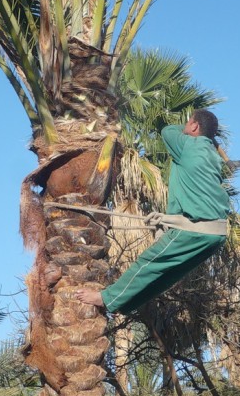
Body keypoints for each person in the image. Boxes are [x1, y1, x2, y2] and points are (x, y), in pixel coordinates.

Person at [76, 109, 230, 314]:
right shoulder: (213, 156)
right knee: (166, 274)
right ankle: (124, 304)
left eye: (188, 123)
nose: (184, 127)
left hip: (193, 231)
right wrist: (209, 136)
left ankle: (105, 298)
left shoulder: (187, 145)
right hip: (216, 234)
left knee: (149, 263)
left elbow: (167, 130)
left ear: (194, 127)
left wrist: (187, 129)